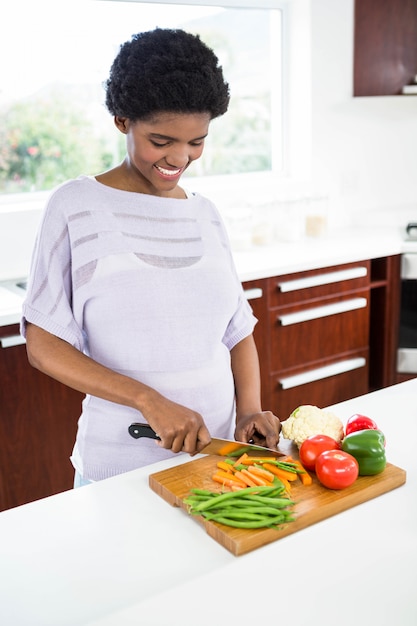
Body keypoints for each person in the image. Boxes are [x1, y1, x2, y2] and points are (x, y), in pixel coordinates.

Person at [21, 28, 281, 486]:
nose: (179, 157)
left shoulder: (204, 214)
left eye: (196, 141)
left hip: (219, 465)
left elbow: (237, 329)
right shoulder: (76, 205)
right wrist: (147, 399)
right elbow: (44, 346)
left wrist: (251, 410)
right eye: (161, 141)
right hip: (121, 468)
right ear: (123, 120)